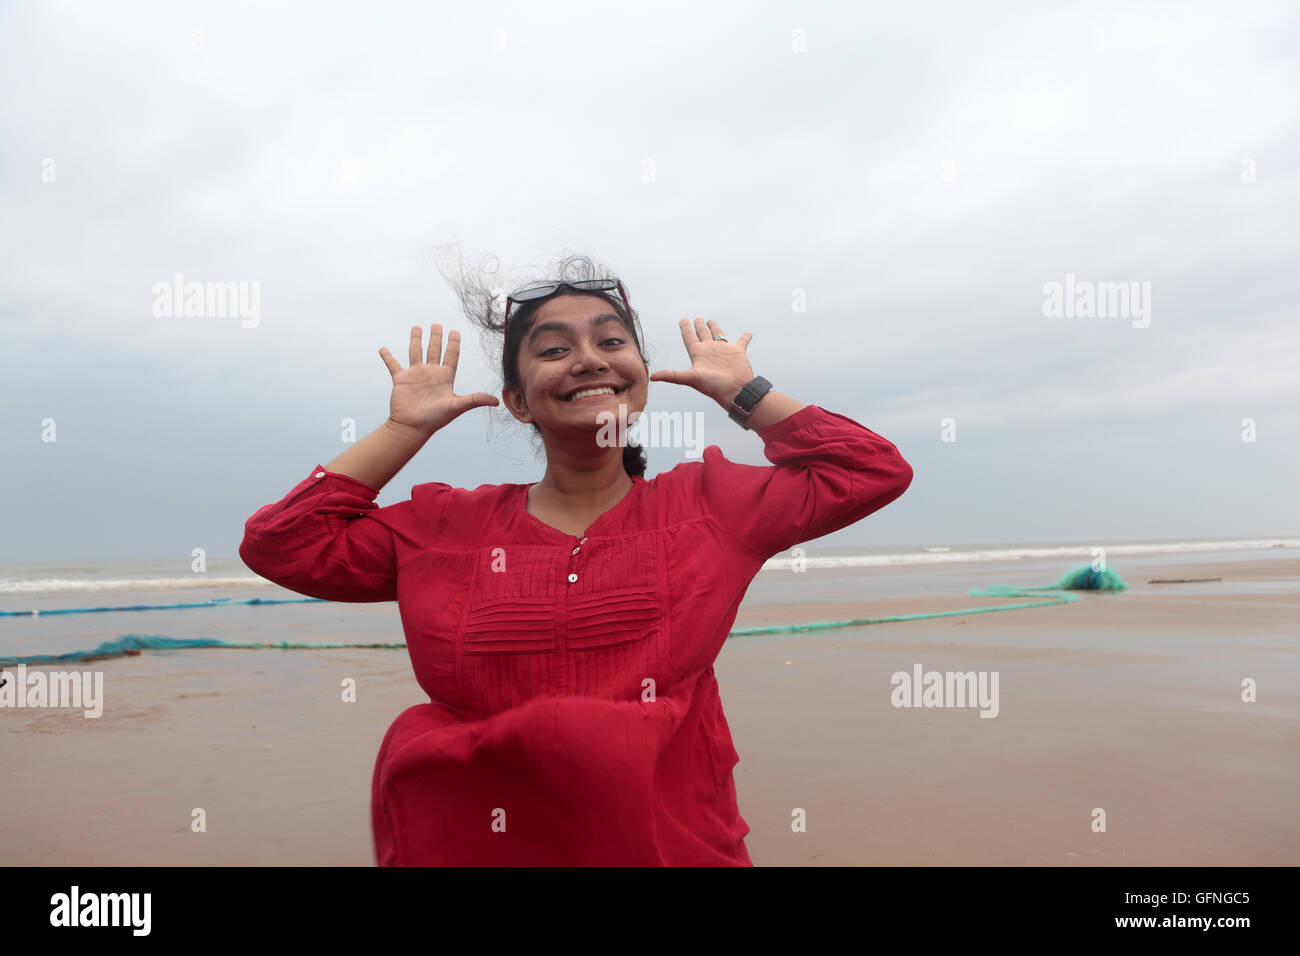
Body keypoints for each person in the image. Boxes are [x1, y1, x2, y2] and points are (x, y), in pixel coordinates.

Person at [238, 262, 914, 865]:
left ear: (642, 377)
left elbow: (870, 470)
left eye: (612, 342)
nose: (589, 360)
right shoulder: (444, 526)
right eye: (555, 349)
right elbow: (281, 545)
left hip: (674, 846)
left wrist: (744, 391)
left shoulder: (713, 507)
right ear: (516, 400)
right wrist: (404, 431)